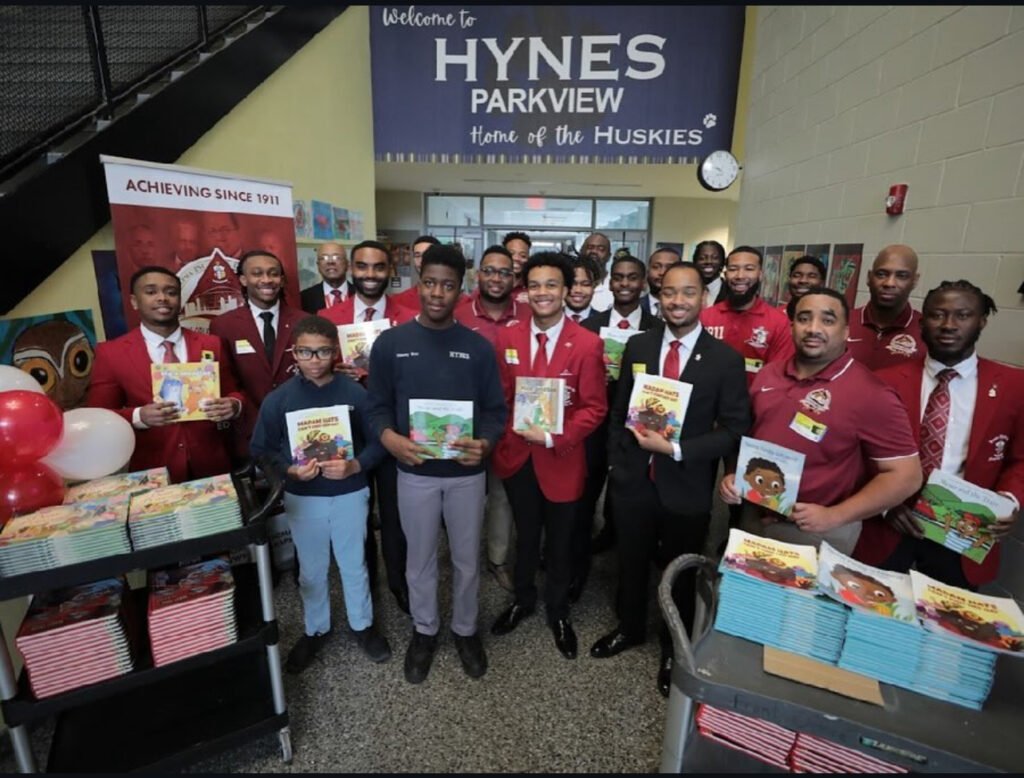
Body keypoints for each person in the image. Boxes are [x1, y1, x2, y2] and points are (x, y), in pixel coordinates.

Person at [593, 262, 750, 697]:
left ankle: (671, 646)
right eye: (669, 292)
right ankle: (629, 627)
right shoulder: (639, 345)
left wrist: (678, 450)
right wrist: (615, 464)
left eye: (688, 292)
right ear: (658, 297)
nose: (677, 301)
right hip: (633, 480)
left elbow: (734, 429)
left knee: (679, 570)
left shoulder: (725, 360)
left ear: (704, 298)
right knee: (630, 559)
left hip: (686, 483)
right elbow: (619, 408)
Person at [366, 245, 508, 684]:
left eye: (448, 285)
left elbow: (495, 410)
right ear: (418, 282)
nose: (437, 293)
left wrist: (485, 443)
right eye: (430, 283)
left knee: (466, 560)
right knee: (420, 559)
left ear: (461, 289)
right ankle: (425, 630)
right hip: (415, 474)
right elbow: (376, 407)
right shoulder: (391, 344)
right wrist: (390, 439)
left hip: (466, 475)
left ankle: (465, 630)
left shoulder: (478, 348)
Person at [719, 288, 922, 556]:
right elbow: (747, 436)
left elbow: (907, 476)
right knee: (744, 584)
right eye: (804, 318)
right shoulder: (769, 374)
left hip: (816, 530)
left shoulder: (872, 394)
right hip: (755, 513)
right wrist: (733, 474)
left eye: (827, 320)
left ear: (846, 331)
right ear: (792, 326)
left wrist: (835, 515)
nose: (813, 328)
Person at [855, 280, 1023, 590]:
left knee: (946, 617)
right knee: (872, 608)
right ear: (922, 322)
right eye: (937, 315)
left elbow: (1020, 459)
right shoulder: (884, 382)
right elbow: (859, 453)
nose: (948, 325)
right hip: (890, 525)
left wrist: (1009, 499)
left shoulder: (1014, 386)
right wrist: (884, 504)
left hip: (964, 532)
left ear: (982, 321)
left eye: (963, 315)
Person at [250, 315, 391, 673]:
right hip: (303, 496)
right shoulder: (279, 400)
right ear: (294, 353)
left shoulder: (355, 394)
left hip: (349, 492)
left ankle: (363, 625)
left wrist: (355, 465)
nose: (314, 360)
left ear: (335, 352)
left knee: (353, 563)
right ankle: (316, 629)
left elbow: (379, 442)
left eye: (323, 351)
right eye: (305, 352)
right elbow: (261, 449)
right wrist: (288, 471)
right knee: (311, 569)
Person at [490, 252, 607, 660]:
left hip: (562, 459)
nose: (542, 293)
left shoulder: (588, 344)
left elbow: (595, 407)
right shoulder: (507, 338)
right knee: (525, 536)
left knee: (559, 542)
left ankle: (557, 611)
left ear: (566, 291)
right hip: (518, 457)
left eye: (551, 285)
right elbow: (501, 398)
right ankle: (522, 599)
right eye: (534, 285)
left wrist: (557, 436)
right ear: (525, 291)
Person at [320, 240, 416, 615]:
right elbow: (315, 370)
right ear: (351, 269)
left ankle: (399, 582)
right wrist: (334, 370)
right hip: (347, 430)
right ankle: (364, 583)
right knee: (354, 515)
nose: (370, 274)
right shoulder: (329, 317)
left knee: (395, 512)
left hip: (393, 427)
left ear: (390, 271)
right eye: (362, 266)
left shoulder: (409, 317)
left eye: (378, 267)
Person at [86, 266, 244, 483]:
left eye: (171, 292)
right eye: (151, 292)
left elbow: (234, 392)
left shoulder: (211, 344)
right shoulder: (111, 353)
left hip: (212, 464)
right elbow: (99, 416)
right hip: (154, 469)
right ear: (134, 301)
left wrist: (234, 405)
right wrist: (139, 416)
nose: (162, 298)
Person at [578, 254, 659, 590]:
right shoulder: (589, 327)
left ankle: (620, 543)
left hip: (637, 428)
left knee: (626, 495)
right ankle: (580, 553)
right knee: (587, 490)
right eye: (619, 277)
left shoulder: (658, 329)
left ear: (643, 283)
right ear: (610, 283)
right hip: (594, 424)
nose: (625, 283)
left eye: (632, 277)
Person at [454, 245, 525, 593]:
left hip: (512, 421)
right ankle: (461, 558)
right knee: (462, 495)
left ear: (514, 278)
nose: (496, 278)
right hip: (463, 420)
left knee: (501, 495)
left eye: (504, 272)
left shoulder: (528, 314)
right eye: (490, 271)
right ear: (478, 274)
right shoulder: (457, 313)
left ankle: (497, 559)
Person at [210, 250, 307, 459]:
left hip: (301, 427)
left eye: (273, 273)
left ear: (282, 280)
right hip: (250, 430)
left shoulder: (304, 321)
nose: (266, 280)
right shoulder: (223, 325)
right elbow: (226, 381)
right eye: (257, 273)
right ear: (243, 280)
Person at [700, 246, 795, 384]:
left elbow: (779, 376)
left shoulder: (779, 323)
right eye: (733, 269)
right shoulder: (705, 317)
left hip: (755, 397)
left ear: (760, 274)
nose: (740, 276)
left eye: (749, 269)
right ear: (725, 274)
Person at [847, 244, 924, 370]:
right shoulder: (844, 321)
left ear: (914, 281)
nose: (889, 283)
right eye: (881, 274)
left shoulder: (926, 331)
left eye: (901, 276)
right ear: (869, 277)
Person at [300, 242, 354, 314]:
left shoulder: (361, 294)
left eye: (336, 257)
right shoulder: (304, 298)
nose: (330, 262)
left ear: (347, 264)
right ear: (318, 265)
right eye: (324, 258)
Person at [390, 235, 441, 310]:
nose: (421, 261)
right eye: (417, 255)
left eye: (427, 255)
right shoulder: (397, 301)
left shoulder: (455, 300)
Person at [640, 246, 680, 318]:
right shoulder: (634, 307)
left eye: (669, 267)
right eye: (656, 267)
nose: (662, 272)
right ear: (648, 271)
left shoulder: (687, 309)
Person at [581, 232, 614, 312]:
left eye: (601, 249)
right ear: (581, 252)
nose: (594, 251)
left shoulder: (615, 286)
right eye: (590, 247)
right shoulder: (568, 282)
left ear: (609, 256)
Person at [692, 240, 728, 309]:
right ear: (695, 262)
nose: (708, 261)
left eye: (715, 258)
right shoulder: (686, 288)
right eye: (702, 258)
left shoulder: (731, 292)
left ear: (722, 262)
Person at [565, 254, 600, 323]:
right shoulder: (549, 320)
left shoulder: (606, 322)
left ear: (594, 286)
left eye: (585, 284)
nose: (578, 290)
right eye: (572, 284)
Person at [502, 231, 532, 305]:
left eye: (523, 256)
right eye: (511, 254)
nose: (516, 258)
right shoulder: (492, 285)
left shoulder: (533, 286)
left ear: (528, 258)